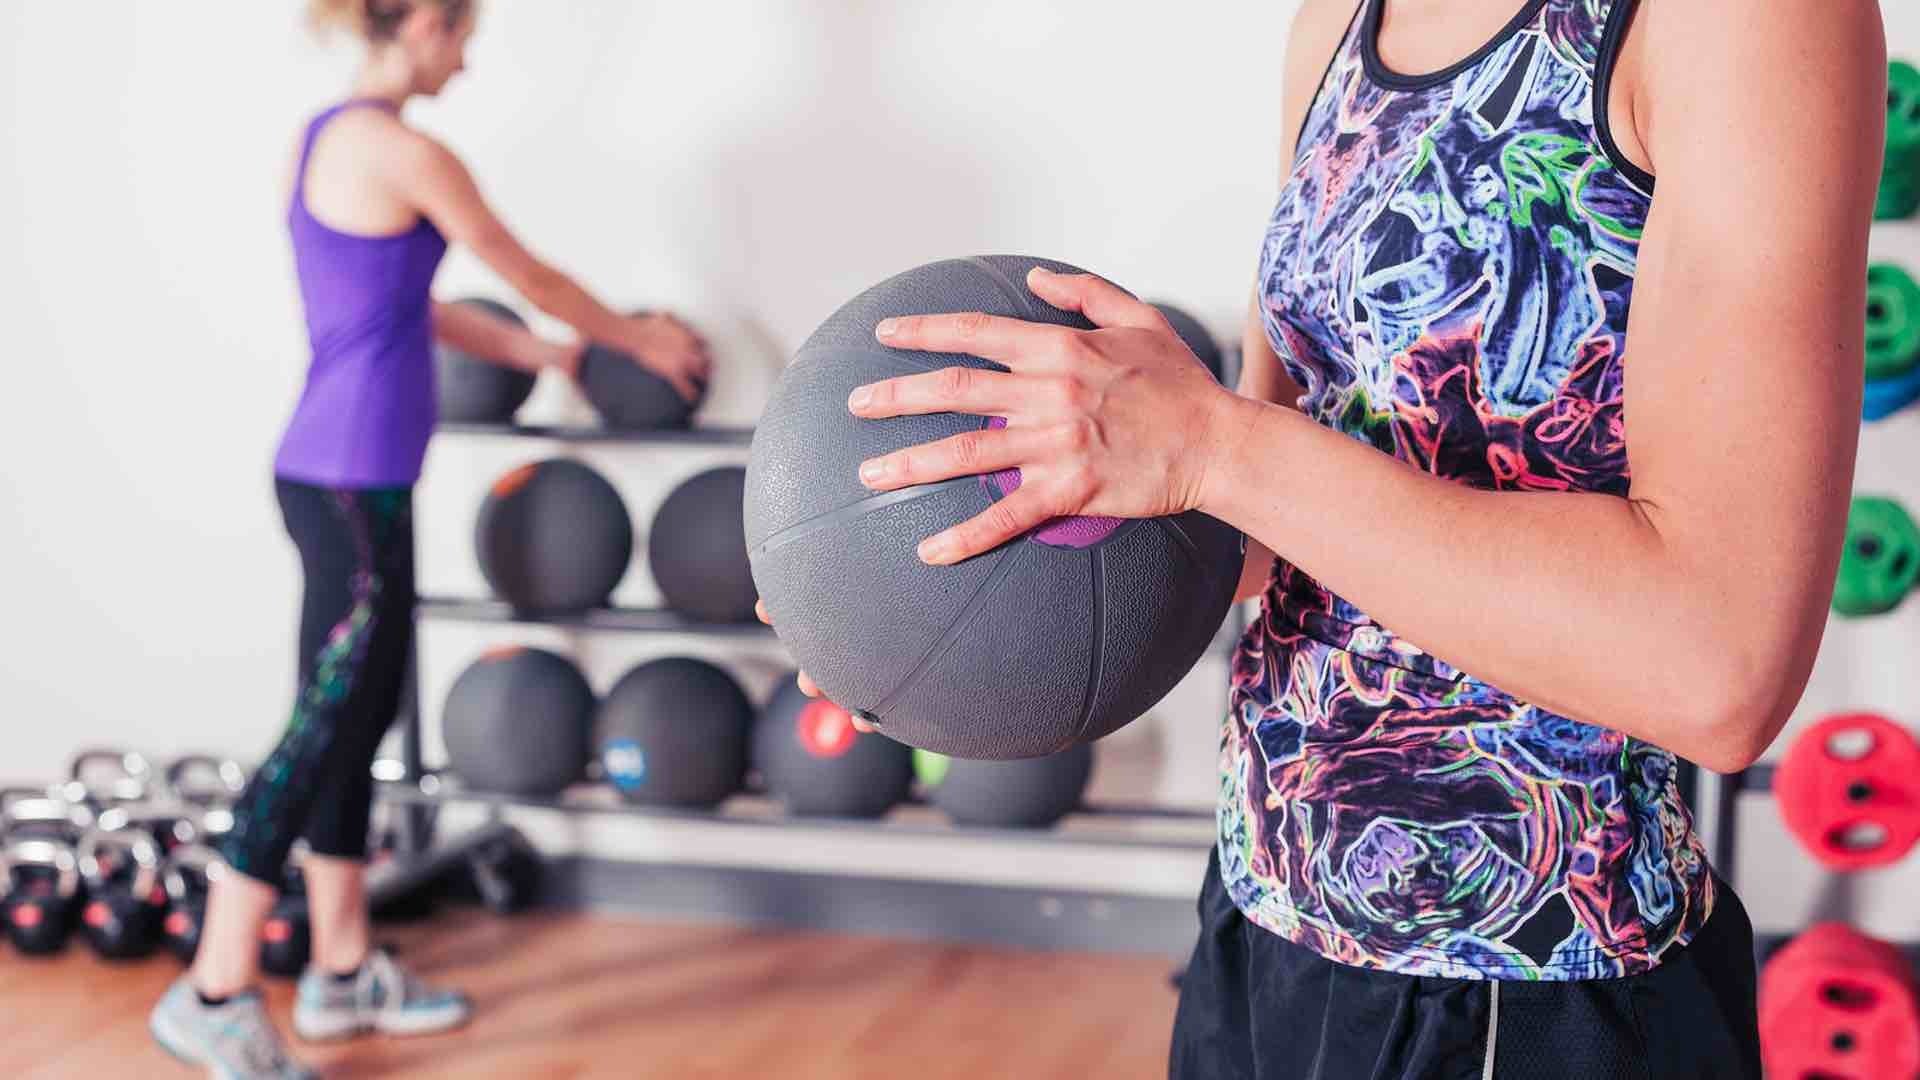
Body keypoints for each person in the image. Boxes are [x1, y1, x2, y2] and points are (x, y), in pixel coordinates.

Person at [779, 0, 1880, 1075]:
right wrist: (913, 584)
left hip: (1530, 971)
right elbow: (1266, 544)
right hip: (1262, 912)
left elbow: (1718, 667)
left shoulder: (1744, 20)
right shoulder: (1337, 30)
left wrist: (1216, 443)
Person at [148, 1, 708, 1075]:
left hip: (343, 477)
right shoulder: (407, 150)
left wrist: (552, 359)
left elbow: (410, 307)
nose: (469, 54)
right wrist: (631, 336)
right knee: (323, 727)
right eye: (463, 32)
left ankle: (343, 969)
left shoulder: (323, 142)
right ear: (419, 25)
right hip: (354, 482)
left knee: (355, 728)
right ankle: (215, 986)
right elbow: (524, 264)